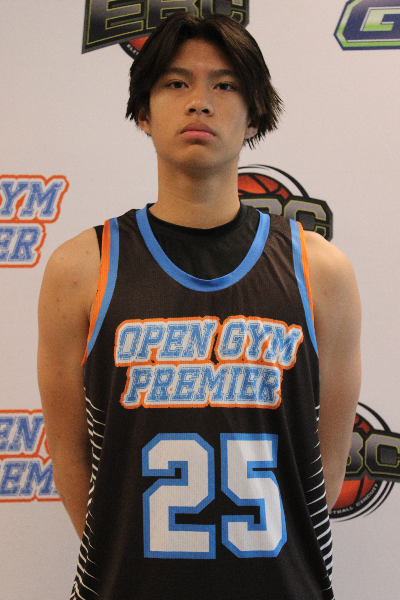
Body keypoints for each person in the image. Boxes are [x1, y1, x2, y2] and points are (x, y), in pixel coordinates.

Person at [38, 12, 361, 600]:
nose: (199, 102)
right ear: (143, 112)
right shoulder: (82, 268)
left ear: (254, 113)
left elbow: (325, 467)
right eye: (175, 82)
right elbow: (71, 461)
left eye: (225, 84)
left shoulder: (321, 272)